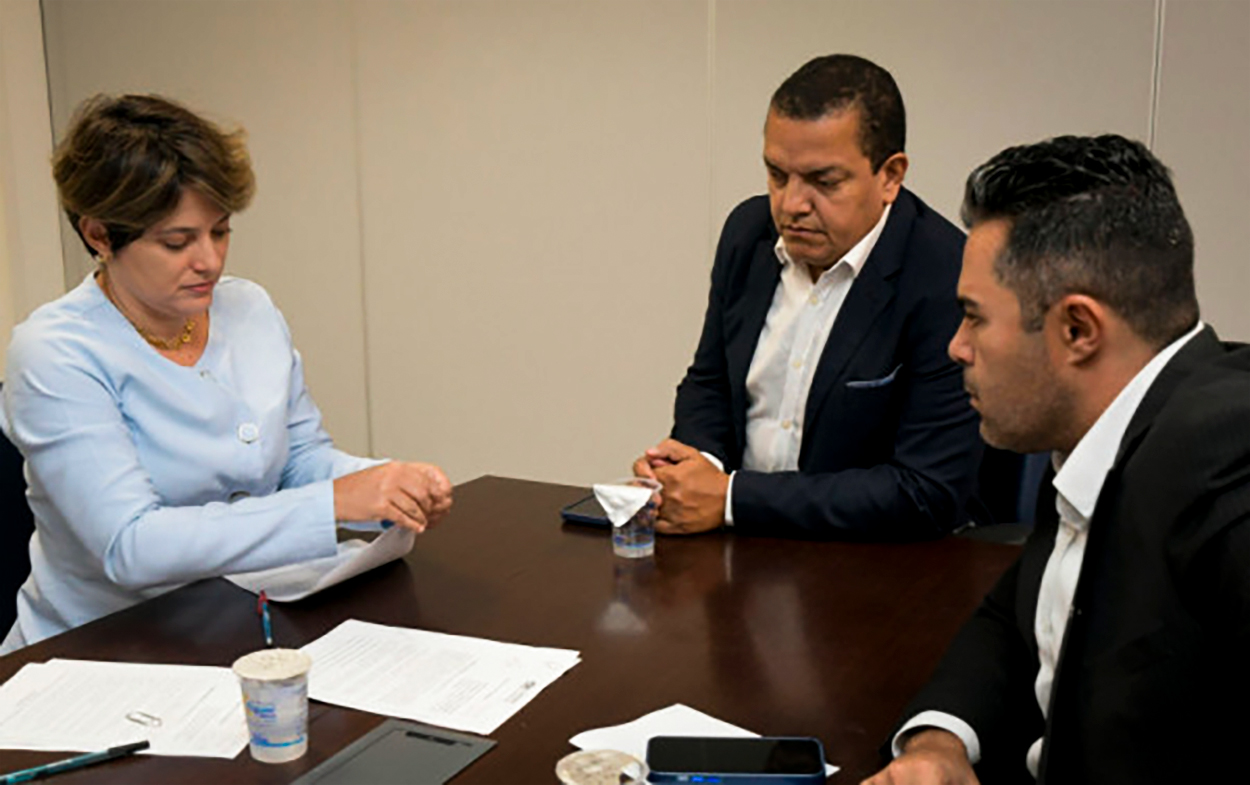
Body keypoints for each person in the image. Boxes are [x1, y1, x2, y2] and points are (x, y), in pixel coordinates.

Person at [0, 94, 453, 653]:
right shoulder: (55, 352)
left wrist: (386, 482)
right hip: (97, 648)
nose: (209, 261)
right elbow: (130, 545)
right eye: (177, 241)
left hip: (232, 619)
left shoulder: (249, 308)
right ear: (99, 235)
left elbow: (299, 460)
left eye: (220, 231)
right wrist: (334, 503)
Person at [865, 135, 1250, 785]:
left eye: (974, 318)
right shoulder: (1102, 434)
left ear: (1078, 330)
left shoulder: (1226, 469)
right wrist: (939, 744)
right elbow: (1020, 617)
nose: (956, 347)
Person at [634, 54, 981, 540]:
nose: (791, 205)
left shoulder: (946, 274)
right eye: (777, 175)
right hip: (736, 544)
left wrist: (730, 498)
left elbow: (925, 491)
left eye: (824, 182)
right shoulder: (747, 234)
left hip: (872, 561)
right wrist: (697, 469)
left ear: (890, 176)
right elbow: (711, 381)